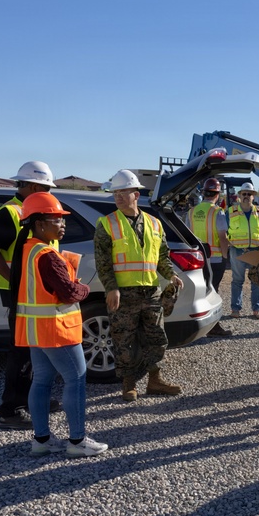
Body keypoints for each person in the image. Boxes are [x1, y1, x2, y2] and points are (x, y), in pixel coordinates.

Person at [10, 192, 107, 457]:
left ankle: (42, 440)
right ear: (39, 223)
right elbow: (68, 293)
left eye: (62, 220)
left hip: (36, 330)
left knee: (41, 381)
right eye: (57, 220)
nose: (63, 224)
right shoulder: (48, 256)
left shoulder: (28, 249)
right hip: (56, 330)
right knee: (76, 379)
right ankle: (77, 442)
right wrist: (83, 289)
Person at [0, 160, 60, 430]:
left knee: (38, 348)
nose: (49, 192)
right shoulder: (10, 213)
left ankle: (31, 398)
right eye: (45, 187)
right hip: (19, 294)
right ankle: (11, 410)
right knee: (21, 352)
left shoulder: (41, 211)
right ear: (31, 185)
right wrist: (14, 281)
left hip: (38, 293)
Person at [94, 169, 184, 402]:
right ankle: (129, 383)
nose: (119, 197)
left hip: (151, 291)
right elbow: (103, 262)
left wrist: (171, 275)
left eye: (124, 192)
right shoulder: (107, 223)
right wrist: (111, 288)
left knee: (156, 337)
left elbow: (162, 256)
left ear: (136, 194)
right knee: (124, 339)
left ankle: (155, 381)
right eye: (116, 192)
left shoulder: (155, 223)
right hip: (123, 294)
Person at [189, 177, 232, 337]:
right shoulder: (217, 212)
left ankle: (202, 323)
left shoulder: (192, 212)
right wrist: (225, 256)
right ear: (217, 195)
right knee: (213, 292)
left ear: (204, 193)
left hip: (196, 260)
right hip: (214, 259)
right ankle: (213, 326)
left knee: (201, 292)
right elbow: (222, 237)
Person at [227, 182, 259, 319]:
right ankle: (235, 309)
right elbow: (223, 232)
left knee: (256, 280)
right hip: (238, 251)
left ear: (253, 196)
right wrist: (229, 244)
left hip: (256, 251)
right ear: (239, 196)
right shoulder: (231, 212)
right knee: (237, 281)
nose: (246, 196)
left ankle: (257, 309)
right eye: (244, 193)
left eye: (249, 194)